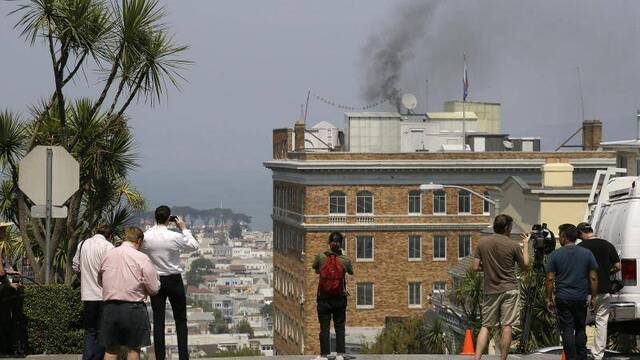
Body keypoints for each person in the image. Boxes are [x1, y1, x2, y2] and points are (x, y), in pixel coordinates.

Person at [140, 206, 199, 360]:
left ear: (155, 218)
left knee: (158, 321)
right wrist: (184, 229)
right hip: (174, 279)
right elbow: (194, 245)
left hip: (156, 279)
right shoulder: (174, 236)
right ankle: (183, 357)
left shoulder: (146, 236)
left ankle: (160, 357)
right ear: (169, 219)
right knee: (180, 320)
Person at [472, 214, 529, 360]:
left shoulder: (482, 243)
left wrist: (489, 268)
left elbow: (475, 267)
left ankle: (477, 357)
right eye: (510, 226)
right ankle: (503, 359)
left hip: (490, 289)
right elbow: (525, 266)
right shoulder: (513, 245)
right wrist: (526, 245)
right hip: (509, 288)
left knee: (486, 326)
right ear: (506, 228)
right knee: (507, 325)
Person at [98, 227, 160, 360]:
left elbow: (100, 280)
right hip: (134, 308)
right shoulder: (142, 258)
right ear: (139, 240)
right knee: (133, 349)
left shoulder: (108, 255)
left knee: (111, 350)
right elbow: (154, 288)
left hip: (110, 307)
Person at [546, 224, 598, 360]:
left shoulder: (555, 255)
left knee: (567, 329)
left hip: (563, 297)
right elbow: (593, 277)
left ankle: (570, 357)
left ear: (563, 237)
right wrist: (593, 297)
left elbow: (550, 278)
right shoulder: (587, 253)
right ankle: (582, 355)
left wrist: (548, 298)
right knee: (581, 328)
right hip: (580, 297)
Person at [576, 222, 621, 360]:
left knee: (580, 322)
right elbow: (618, 266)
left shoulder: (580, 247)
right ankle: (598, 354)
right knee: (601, 323)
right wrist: (607, 272)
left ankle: (580, 352)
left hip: (585, 291)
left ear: (581, 234)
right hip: (605, 290)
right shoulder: (607, 245)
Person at [72, 224, 114, 360]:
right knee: (102, 330)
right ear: (110, 236)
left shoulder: (83, 244)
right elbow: (111, 270)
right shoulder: (108, 247)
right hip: (104, 295)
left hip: (87, 294)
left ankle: (87, 357)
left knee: (89, 330)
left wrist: (84, 277)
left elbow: (75, 265)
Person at [312, 232, 354, 360]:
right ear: (341, 244)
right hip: (339, 298)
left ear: (329, 243)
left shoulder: (320, 257)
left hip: (323, 298)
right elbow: (351, 272)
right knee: (339, 327)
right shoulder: (345, 260)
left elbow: (316, 269)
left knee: (324, 327)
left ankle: (324, 355)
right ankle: (340, 354)